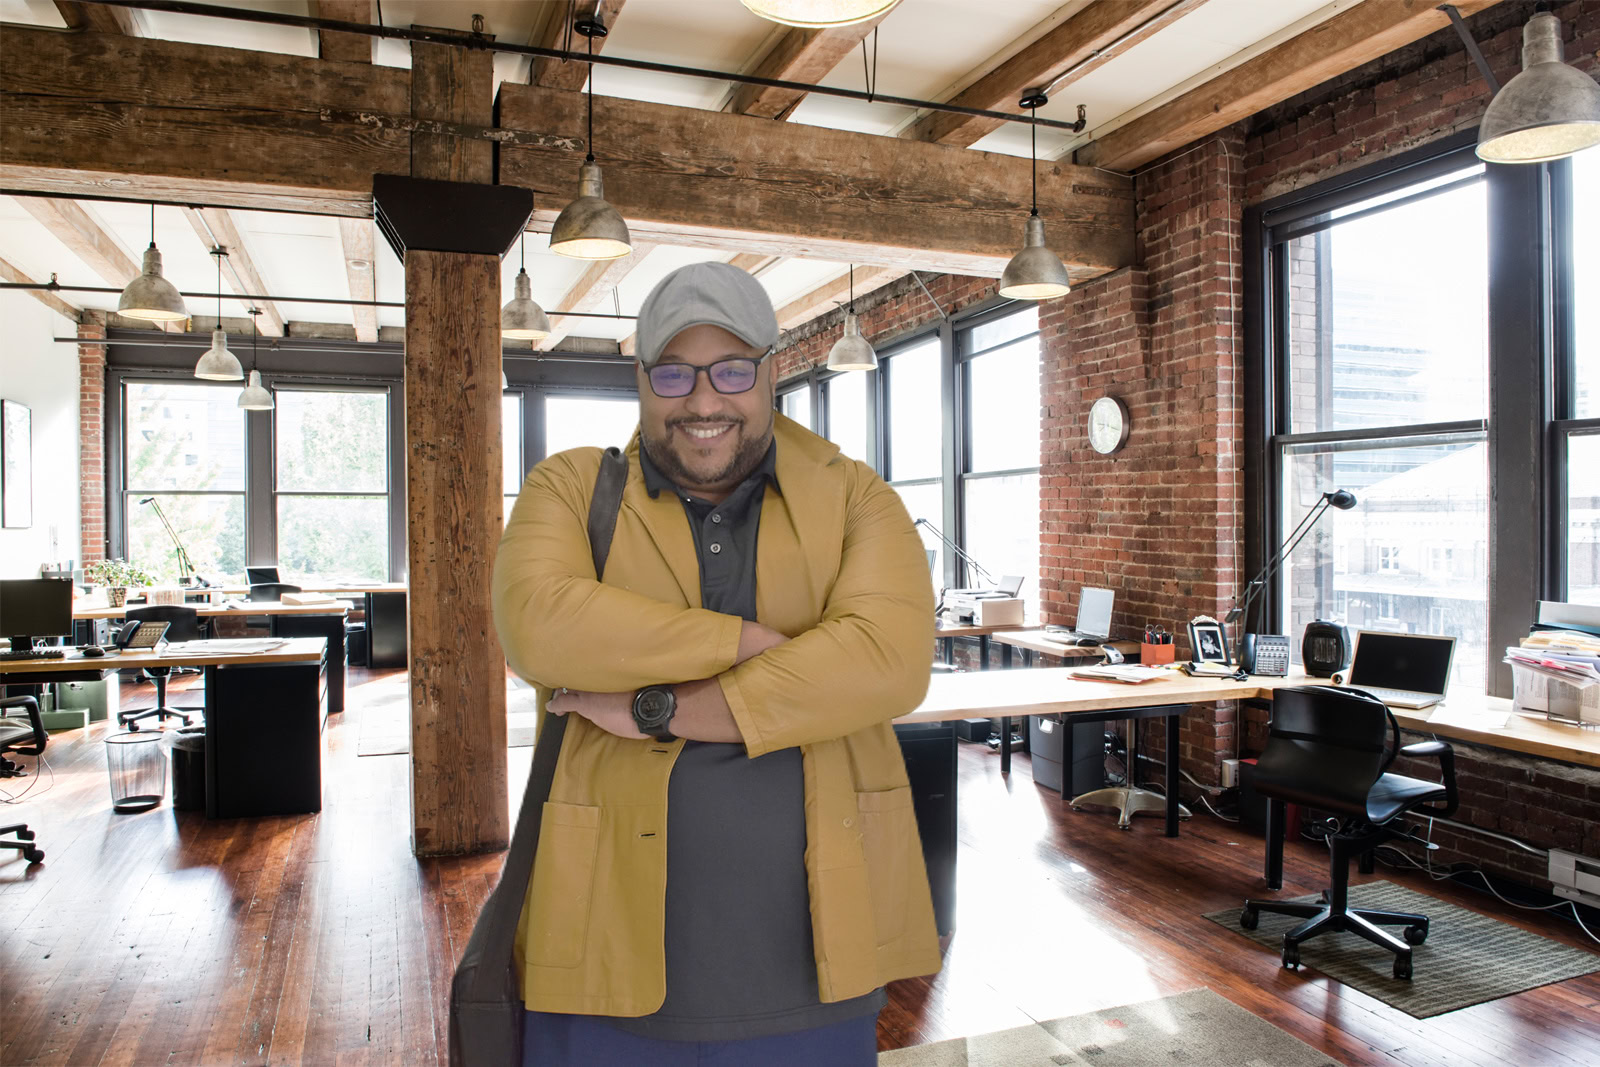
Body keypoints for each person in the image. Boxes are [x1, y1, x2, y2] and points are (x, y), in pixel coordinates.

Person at [491, 262, 942, 1065]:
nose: (703, 401)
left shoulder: (856, 498)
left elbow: (891, 660)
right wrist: (745, 642)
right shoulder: (569, 489)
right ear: (641, 379)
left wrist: (654, 710)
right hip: (595, 961)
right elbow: (537, 626)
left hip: (819, 966)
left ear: (771, 371)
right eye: (674, 373)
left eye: (731, 370)